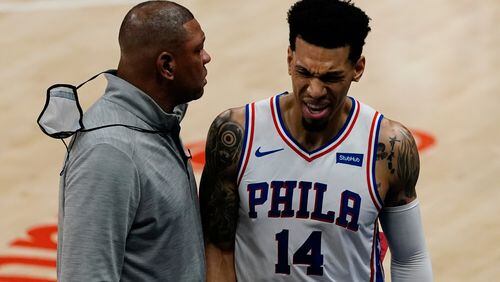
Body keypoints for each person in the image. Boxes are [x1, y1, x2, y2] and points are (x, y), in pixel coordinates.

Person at [199, 0, 432, 281]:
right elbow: (218, 249)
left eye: (331, 77)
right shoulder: (237, 134)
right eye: (304, 73)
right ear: (289, 60)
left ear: (357, 68)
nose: (315, 90)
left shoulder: (388, 147)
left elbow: (411, 258)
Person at [56, 1, 211, 280]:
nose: (207, 57)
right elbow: (86, 274)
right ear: (167, 66)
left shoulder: (156, 123)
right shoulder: (108, 152)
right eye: (197, 50)